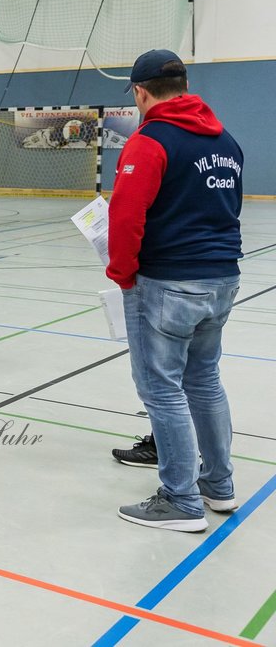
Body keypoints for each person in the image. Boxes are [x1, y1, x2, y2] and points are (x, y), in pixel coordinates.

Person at [107, 49, 243, 532]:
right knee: (204, 380)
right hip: (221, 277)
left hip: (166, 282)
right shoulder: (225, 140)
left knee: (161, 389)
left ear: (141, 92)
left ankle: (181, 500)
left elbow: (125, 217)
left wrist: (122, 275)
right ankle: (218, 485)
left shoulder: (150, 141)